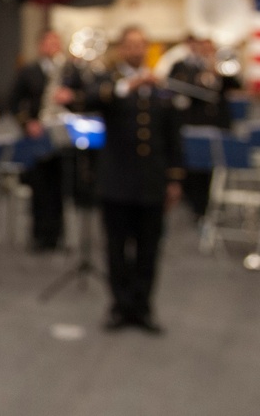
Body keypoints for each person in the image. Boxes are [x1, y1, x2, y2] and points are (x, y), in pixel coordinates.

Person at [86, 26, 183, 334]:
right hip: (116, 182)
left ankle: (143, 307)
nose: (134, 50)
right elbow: (91, 100)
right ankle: (120, 305)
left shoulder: (161, 89)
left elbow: (172, 137)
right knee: (116, 248)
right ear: (121, 49)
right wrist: (128, 85)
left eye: (140, 45)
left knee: (148, 249)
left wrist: (174, 178)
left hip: (151, 183)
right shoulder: (110, 83)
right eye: (129, 45)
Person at [9, 29, 70, 251]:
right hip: (38, 135)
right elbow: (13, 102)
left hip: (61, 135)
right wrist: (28, 123)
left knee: (60, 187)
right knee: (40, 187)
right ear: (40, 45)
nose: (55, 45)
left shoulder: (68, 71)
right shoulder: (28, 71)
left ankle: (58, 235)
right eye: (50, 42)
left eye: (58, 41)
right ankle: (40, 235)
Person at [168, 36, 241, 219]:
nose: (207, 52)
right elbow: (177, 87)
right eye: (204, 48)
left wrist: (220, 72)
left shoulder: (219, 69)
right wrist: (202, 75)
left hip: (218, 126)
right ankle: (197, 206)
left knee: (216, 169)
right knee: (196, 168)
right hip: (195, 125)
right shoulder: (185, 67)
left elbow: (236, 86)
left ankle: (213, 203)